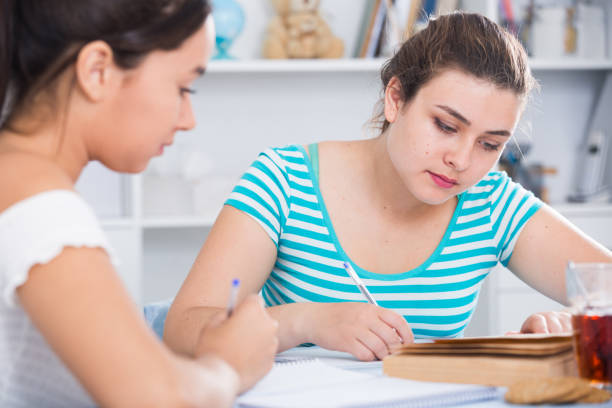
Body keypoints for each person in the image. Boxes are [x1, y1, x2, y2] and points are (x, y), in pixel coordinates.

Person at [164, 11, 612, 362]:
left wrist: (569, 331)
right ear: (396, 99)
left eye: (490, 144)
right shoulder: (283, 181)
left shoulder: (491, 204)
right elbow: (184, 329)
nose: (461, 160)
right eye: (445, 125)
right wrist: (304, 321)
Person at [0, 0, 278, 406]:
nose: (188, 119)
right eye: (183, 88)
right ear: (97, 71)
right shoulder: (41, 209)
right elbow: (154, 398)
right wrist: (229, 365)